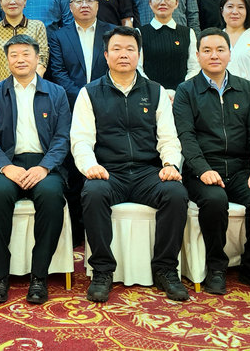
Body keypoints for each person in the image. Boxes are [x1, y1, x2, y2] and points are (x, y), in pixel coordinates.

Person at [71, 26, 189, 303]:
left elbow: (169, 138)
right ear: (106, 55)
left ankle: (165, 269)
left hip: (148, 172)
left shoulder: (155, 91)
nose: (123, 54)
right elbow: (81, 139)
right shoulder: (90, 93)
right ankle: (102, 270)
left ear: (139, 55)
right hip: (109, 171)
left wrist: (170, 164)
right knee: (92, 192)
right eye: (117, 49)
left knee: (175, 193)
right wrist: (90, 166)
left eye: (130, 49)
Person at [172, 28, 250, 295]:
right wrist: (203, 169)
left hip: (241, 170)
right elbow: (186, 137)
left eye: (220, 50)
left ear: (230, 54)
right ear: (198, 56)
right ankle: (216, 267)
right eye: (207, 50)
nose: (214, 55)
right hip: (203, 170)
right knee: (215, 200)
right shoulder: (186, 91)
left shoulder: (246, 89)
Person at [0, 34, 70, 304]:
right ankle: (0, 275)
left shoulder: (56, 92)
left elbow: (63, 137)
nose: (20, 59)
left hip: (44, 165)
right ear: (7, 60)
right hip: (8, 164)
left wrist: (45, 167)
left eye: (26, 54)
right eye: (14, 55)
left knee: (51, 197)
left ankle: (39, 276)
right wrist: (6, 167)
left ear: (37, 58)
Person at [47, 0, 115, 244]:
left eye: (90, 0)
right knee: (75, 168)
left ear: (97, 5)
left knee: (105, 162)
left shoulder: (112, 32)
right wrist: (85, 97)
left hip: (108, 106)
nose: (84, 5)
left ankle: (102, 231)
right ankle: (78, 232)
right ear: (70, 7)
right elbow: (58, 73)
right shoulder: (59, 35)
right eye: (78, 1)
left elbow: (116, 69)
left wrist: (99, 96)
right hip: (72, 107)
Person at [137, 0, 200, 97]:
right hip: (150, 95)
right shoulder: (139, 33)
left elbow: (194, 67)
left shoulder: (188, 33)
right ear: (150, 3)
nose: (163, 2)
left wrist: (180, 92)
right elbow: (138, 68)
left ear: (176, 3)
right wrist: (158, 92)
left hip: (182, 96)